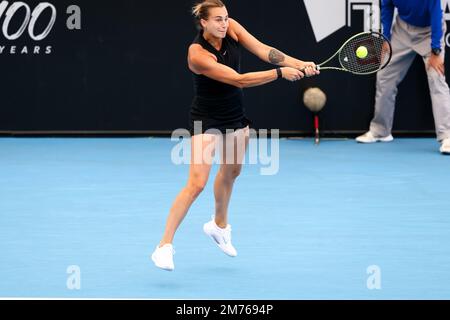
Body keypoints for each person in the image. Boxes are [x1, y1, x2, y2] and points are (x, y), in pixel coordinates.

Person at [151, 0, 319, 271]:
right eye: (217, 19)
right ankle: (164, 246)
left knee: (232, 173)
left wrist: (300, 63)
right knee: (196, 183)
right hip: (206, 120)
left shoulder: (231, 29)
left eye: (226, 17)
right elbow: (239, 80)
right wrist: (280, 74)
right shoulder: (197, 54)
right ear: (203, 22)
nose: (224, 23)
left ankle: (218, 226)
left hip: (235, 116)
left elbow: (265, 50)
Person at [356, 0, 450, 154]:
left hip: (429, 32)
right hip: (402, 31)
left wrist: (436, 50)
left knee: (436, 78)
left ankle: (447, 136)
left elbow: (436, 15)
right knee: (384, 75)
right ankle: (381, 131)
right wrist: (386, 37)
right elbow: (387, 7)